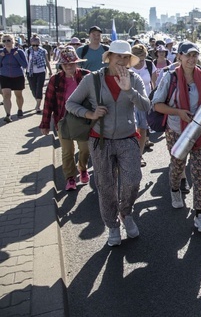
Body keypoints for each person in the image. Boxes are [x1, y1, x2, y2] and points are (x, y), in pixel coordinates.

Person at [66, 40, 151, 247]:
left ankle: (126, 213)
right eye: (117, 56)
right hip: (100, 140)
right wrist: (90, 113)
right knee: (105, 186)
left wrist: (129, 90)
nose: (121, 60)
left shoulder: (134, 78)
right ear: (109, 57)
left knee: (133, 180)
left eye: (125, 57)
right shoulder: (92, 80)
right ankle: (112, 226)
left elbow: (146, 106)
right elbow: (70, 103)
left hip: (128, 139)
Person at [152, 42, 201, 233]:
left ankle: (200, 214)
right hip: (176, 131)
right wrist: (178, 112)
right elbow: (157, 105)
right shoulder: (170, 77)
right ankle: (175, 190)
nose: (192, 59)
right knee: (177, 166)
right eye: (188, 55)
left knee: (200, 172)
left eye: (195, 55)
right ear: (179, 57)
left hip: (200, 131)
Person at [39, 47, 90, 191]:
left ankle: (83, 168)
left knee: (85, 149)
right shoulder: (55, 80)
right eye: (65, 64)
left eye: (72, 63)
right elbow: (48, 103)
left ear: (77, 63)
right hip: (63, 120)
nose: (69, 66)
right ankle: (70, 178)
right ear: (61, 65)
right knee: (67, 151)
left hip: (83, 120)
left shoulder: (87, 76)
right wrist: (45, 124)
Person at [129, 44, 154, 167]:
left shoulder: (149, 65)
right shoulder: (127, 65)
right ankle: (129, 155)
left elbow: (153, 83)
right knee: (131, 129)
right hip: (129, 102)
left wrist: (154, 100)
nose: (141, 61)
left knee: (143, 128)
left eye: (143, 58)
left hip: (144, 101)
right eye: (139, 58)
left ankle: (139, 155)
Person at [0, 34, 28, 122]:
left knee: (18, 95)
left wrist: (17, 56)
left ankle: (20, 109)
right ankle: (8, 114)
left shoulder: (19, 52)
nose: (6, 43)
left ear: (13, 41)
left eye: (8, 40)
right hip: (5, 76)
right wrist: (1, 57)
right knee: (6, 95)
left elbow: (25, 65)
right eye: (4, 41)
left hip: (17, 75)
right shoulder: (1, 52)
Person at [26, 36, 53, 113]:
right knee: (33, 88)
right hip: (30, 72)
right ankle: (37, 99)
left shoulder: (43, 51)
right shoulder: (28, 51)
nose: (35, 47)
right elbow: (26, 62)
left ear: (39, 44)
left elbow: (47, 61)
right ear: (31, 44)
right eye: (33, 45)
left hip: (41, 71)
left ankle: (38, 106)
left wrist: (50, 71)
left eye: (37, 45)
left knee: (39, 88)